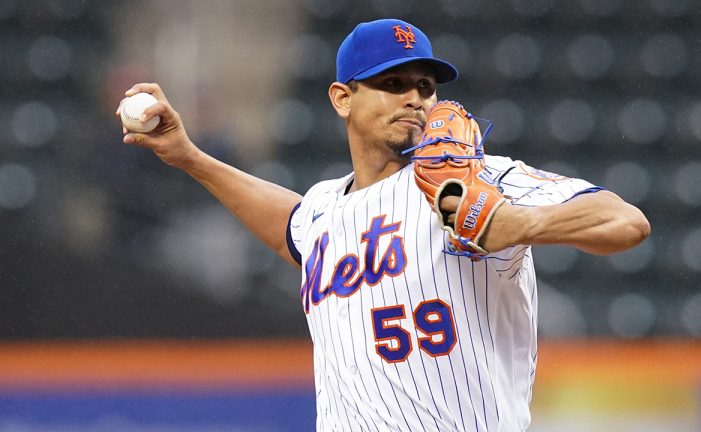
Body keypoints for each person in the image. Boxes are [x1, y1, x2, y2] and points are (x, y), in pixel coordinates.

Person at [118, 18, 650, 432]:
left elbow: (624, 222)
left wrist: (514, 225)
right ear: (342, 98)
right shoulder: (326, 206)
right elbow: (291, 225)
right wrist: (189, 157)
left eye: (425, 85)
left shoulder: (469, 183)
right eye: (392, 83)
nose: (415, 97)